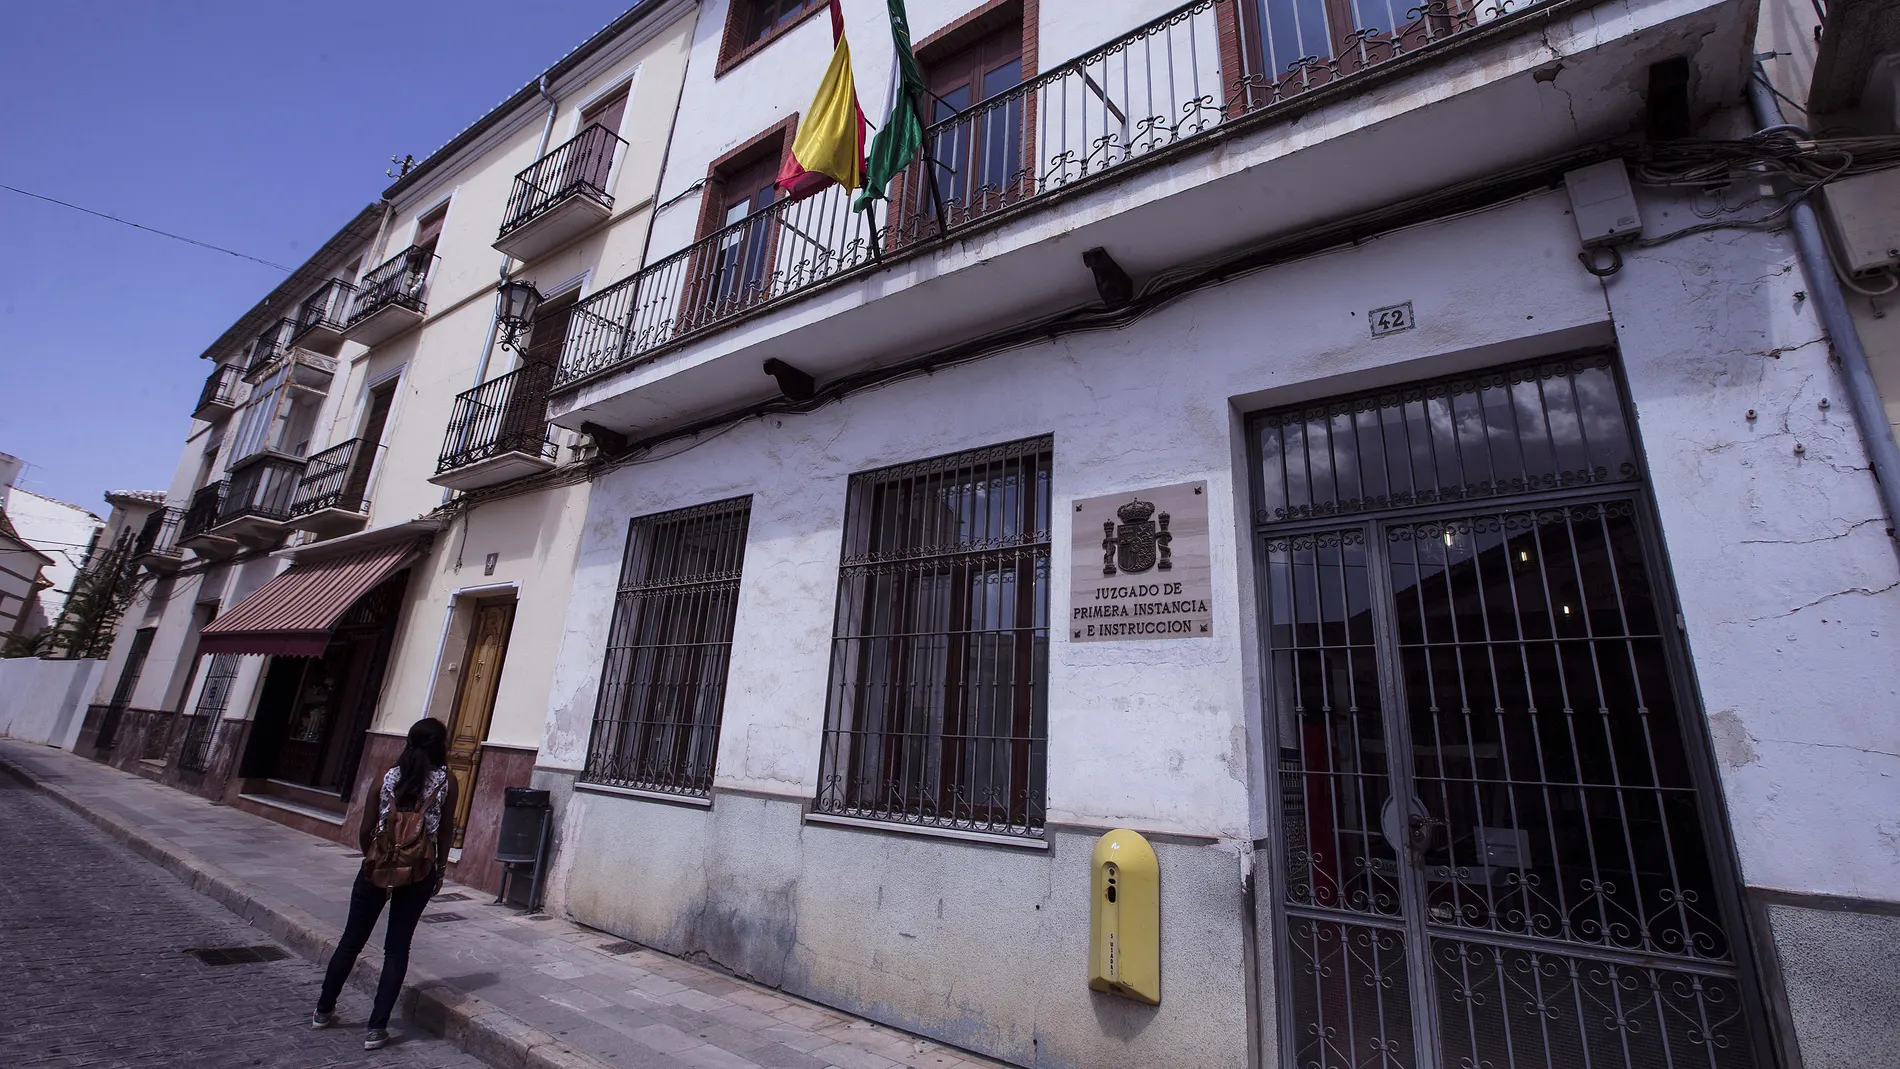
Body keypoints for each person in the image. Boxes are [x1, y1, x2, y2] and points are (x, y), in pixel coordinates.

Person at [312, 717, 458, 1049]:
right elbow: (446, 830)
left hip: (377, 867)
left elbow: (365, 828)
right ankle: (376, 1028)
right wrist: (439, 869)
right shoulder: (447, 782)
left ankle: (323, 1009)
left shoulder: (389, 777)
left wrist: (374, 857)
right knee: (396, 948)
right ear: (441, 746)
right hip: (418, 871)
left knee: (351, 941)